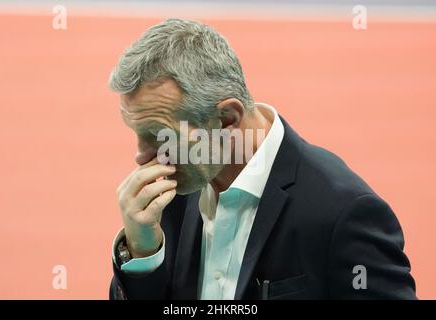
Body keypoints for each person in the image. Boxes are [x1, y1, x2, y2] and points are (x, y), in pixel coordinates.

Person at [108, 18, 416, 299]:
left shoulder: (342, 213)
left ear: (227, 119)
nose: (142, 156)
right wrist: (143, 253)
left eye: (160, 134)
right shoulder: (170, 199)